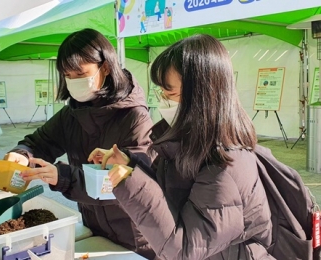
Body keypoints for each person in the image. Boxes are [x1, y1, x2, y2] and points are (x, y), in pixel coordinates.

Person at [89, 34, 274, 259]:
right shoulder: (193, 142)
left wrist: (130, 182)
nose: (163, 100)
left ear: (203, 96)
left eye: (170, 93)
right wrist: (131, 164)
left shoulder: (226, 165)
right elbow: (173, 191)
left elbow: (184, 249)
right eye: (161, 92)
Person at [4, 28, 157, 259]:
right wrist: (22, 153)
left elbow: (127, 182)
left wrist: (62, 176)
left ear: (105, 67)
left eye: (80, 73)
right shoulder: (72, 115)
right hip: (94, 225)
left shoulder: (135, 117)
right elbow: (39, 142)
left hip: (136, 232)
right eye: (68, 75)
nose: (73, 81)